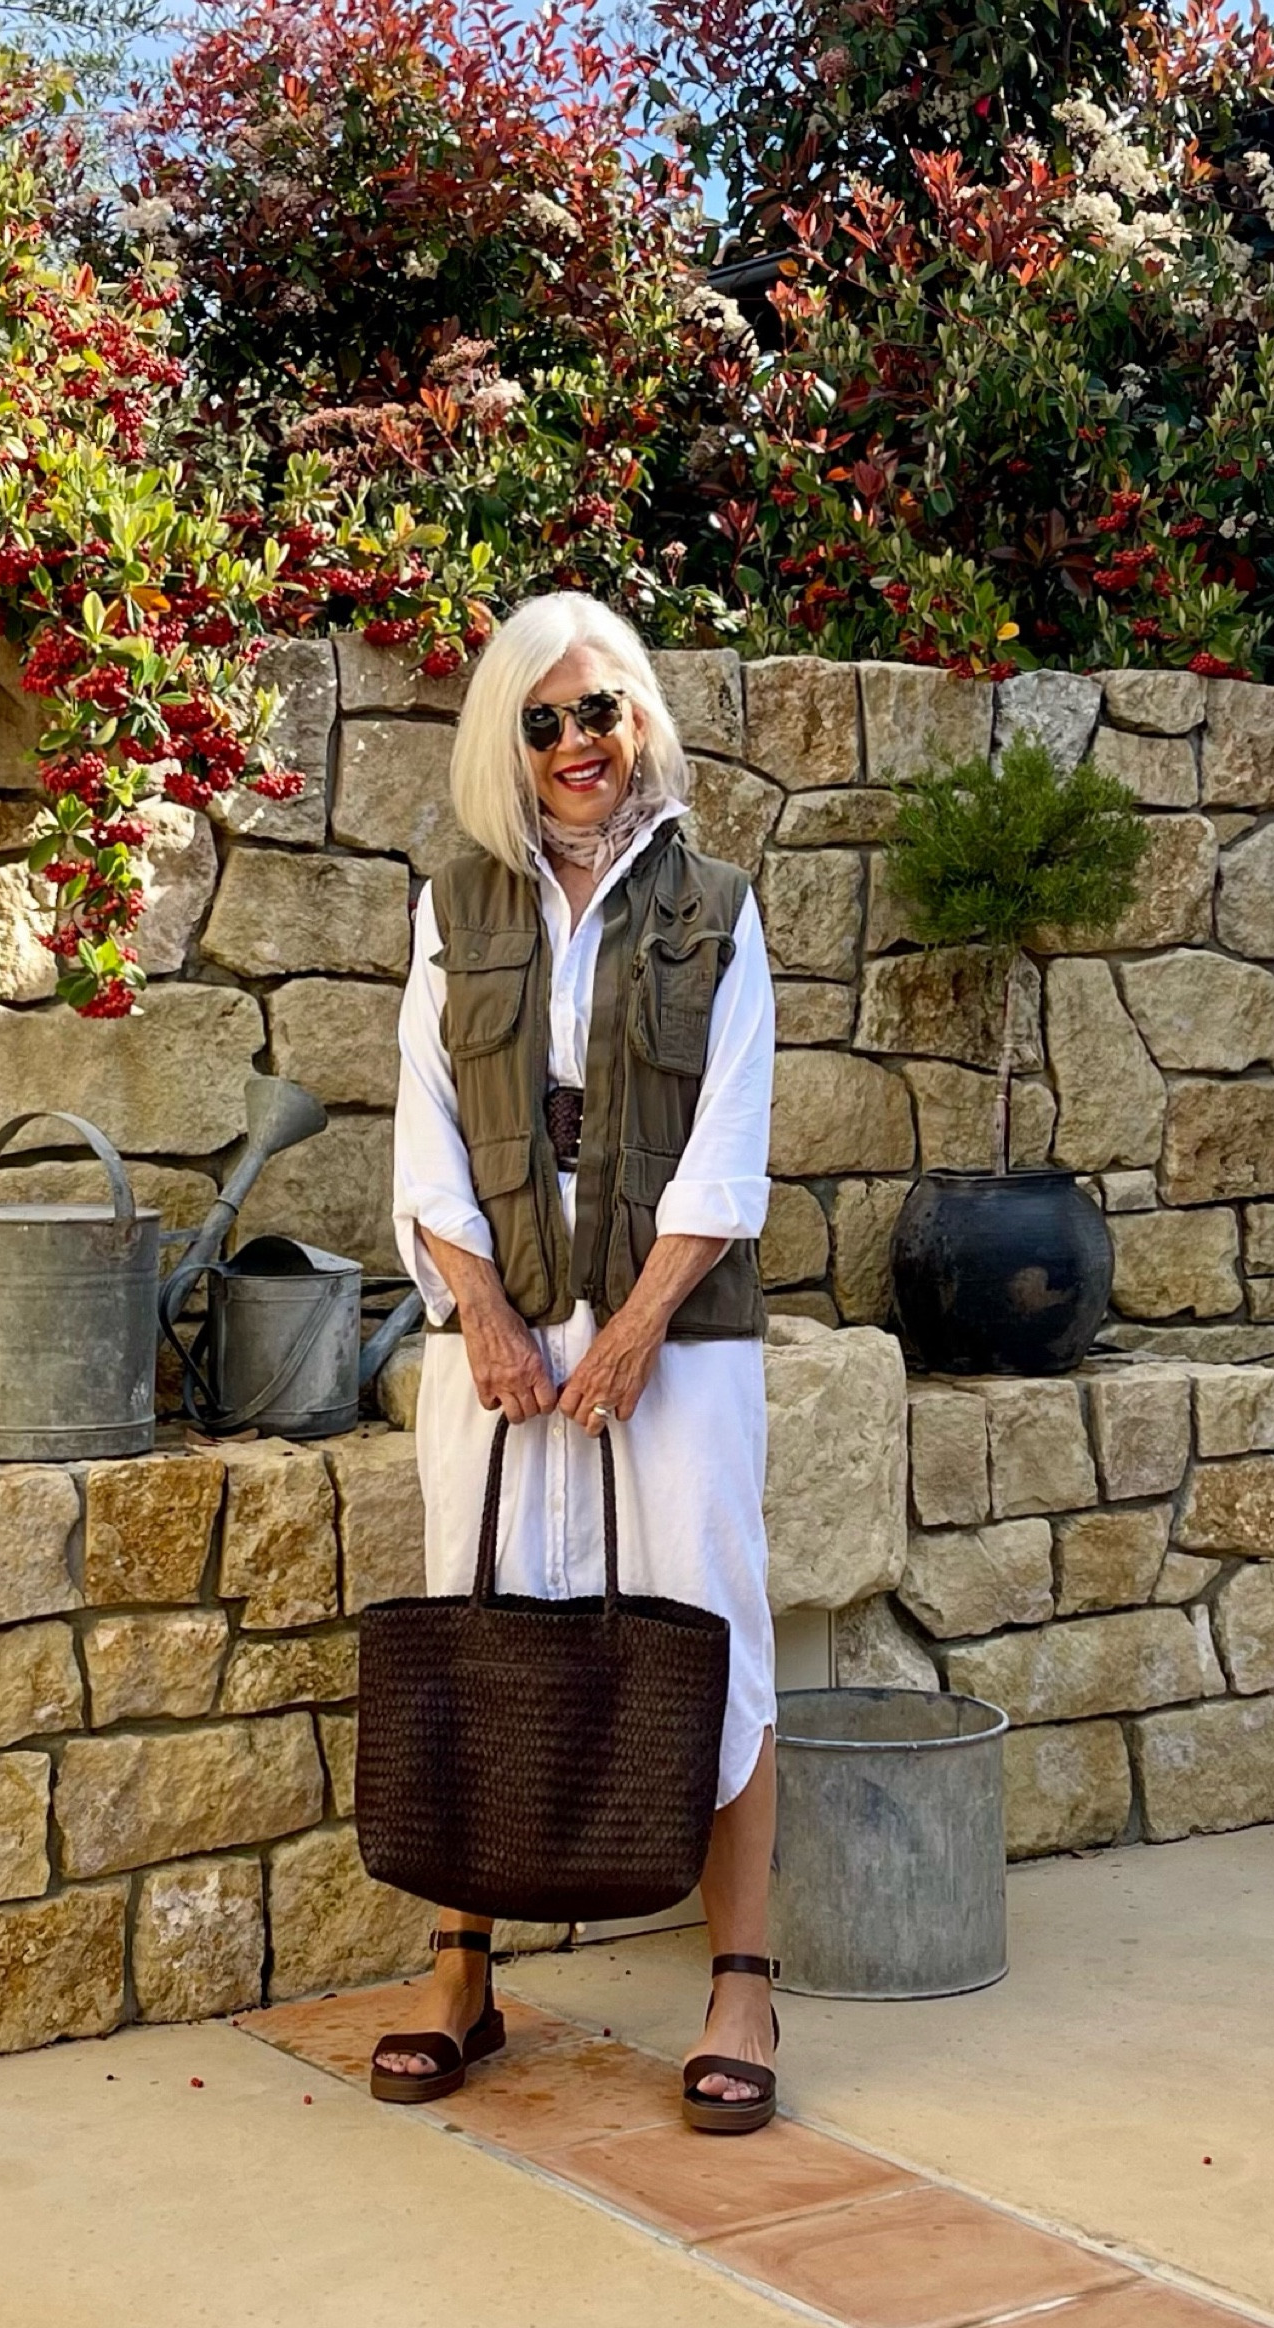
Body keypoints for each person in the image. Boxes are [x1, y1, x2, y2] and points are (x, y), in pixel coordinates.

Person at [373, 589, 780, 2134]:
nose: (573, 744)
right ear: (509, 741)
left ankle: (742, 1978)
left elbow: (729, 1142)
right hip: (498, 1318)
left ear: (640, 719)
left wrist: (631, 1330)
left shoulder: (718, 907)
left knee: (713, 1611)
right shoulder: (454, 905)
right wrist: (479, 1308)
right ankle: (461, 1970)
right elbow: (425, 1124)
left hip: (673, 1324)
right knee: (484, 1609)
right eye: (541, 721)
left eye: (597, 710)